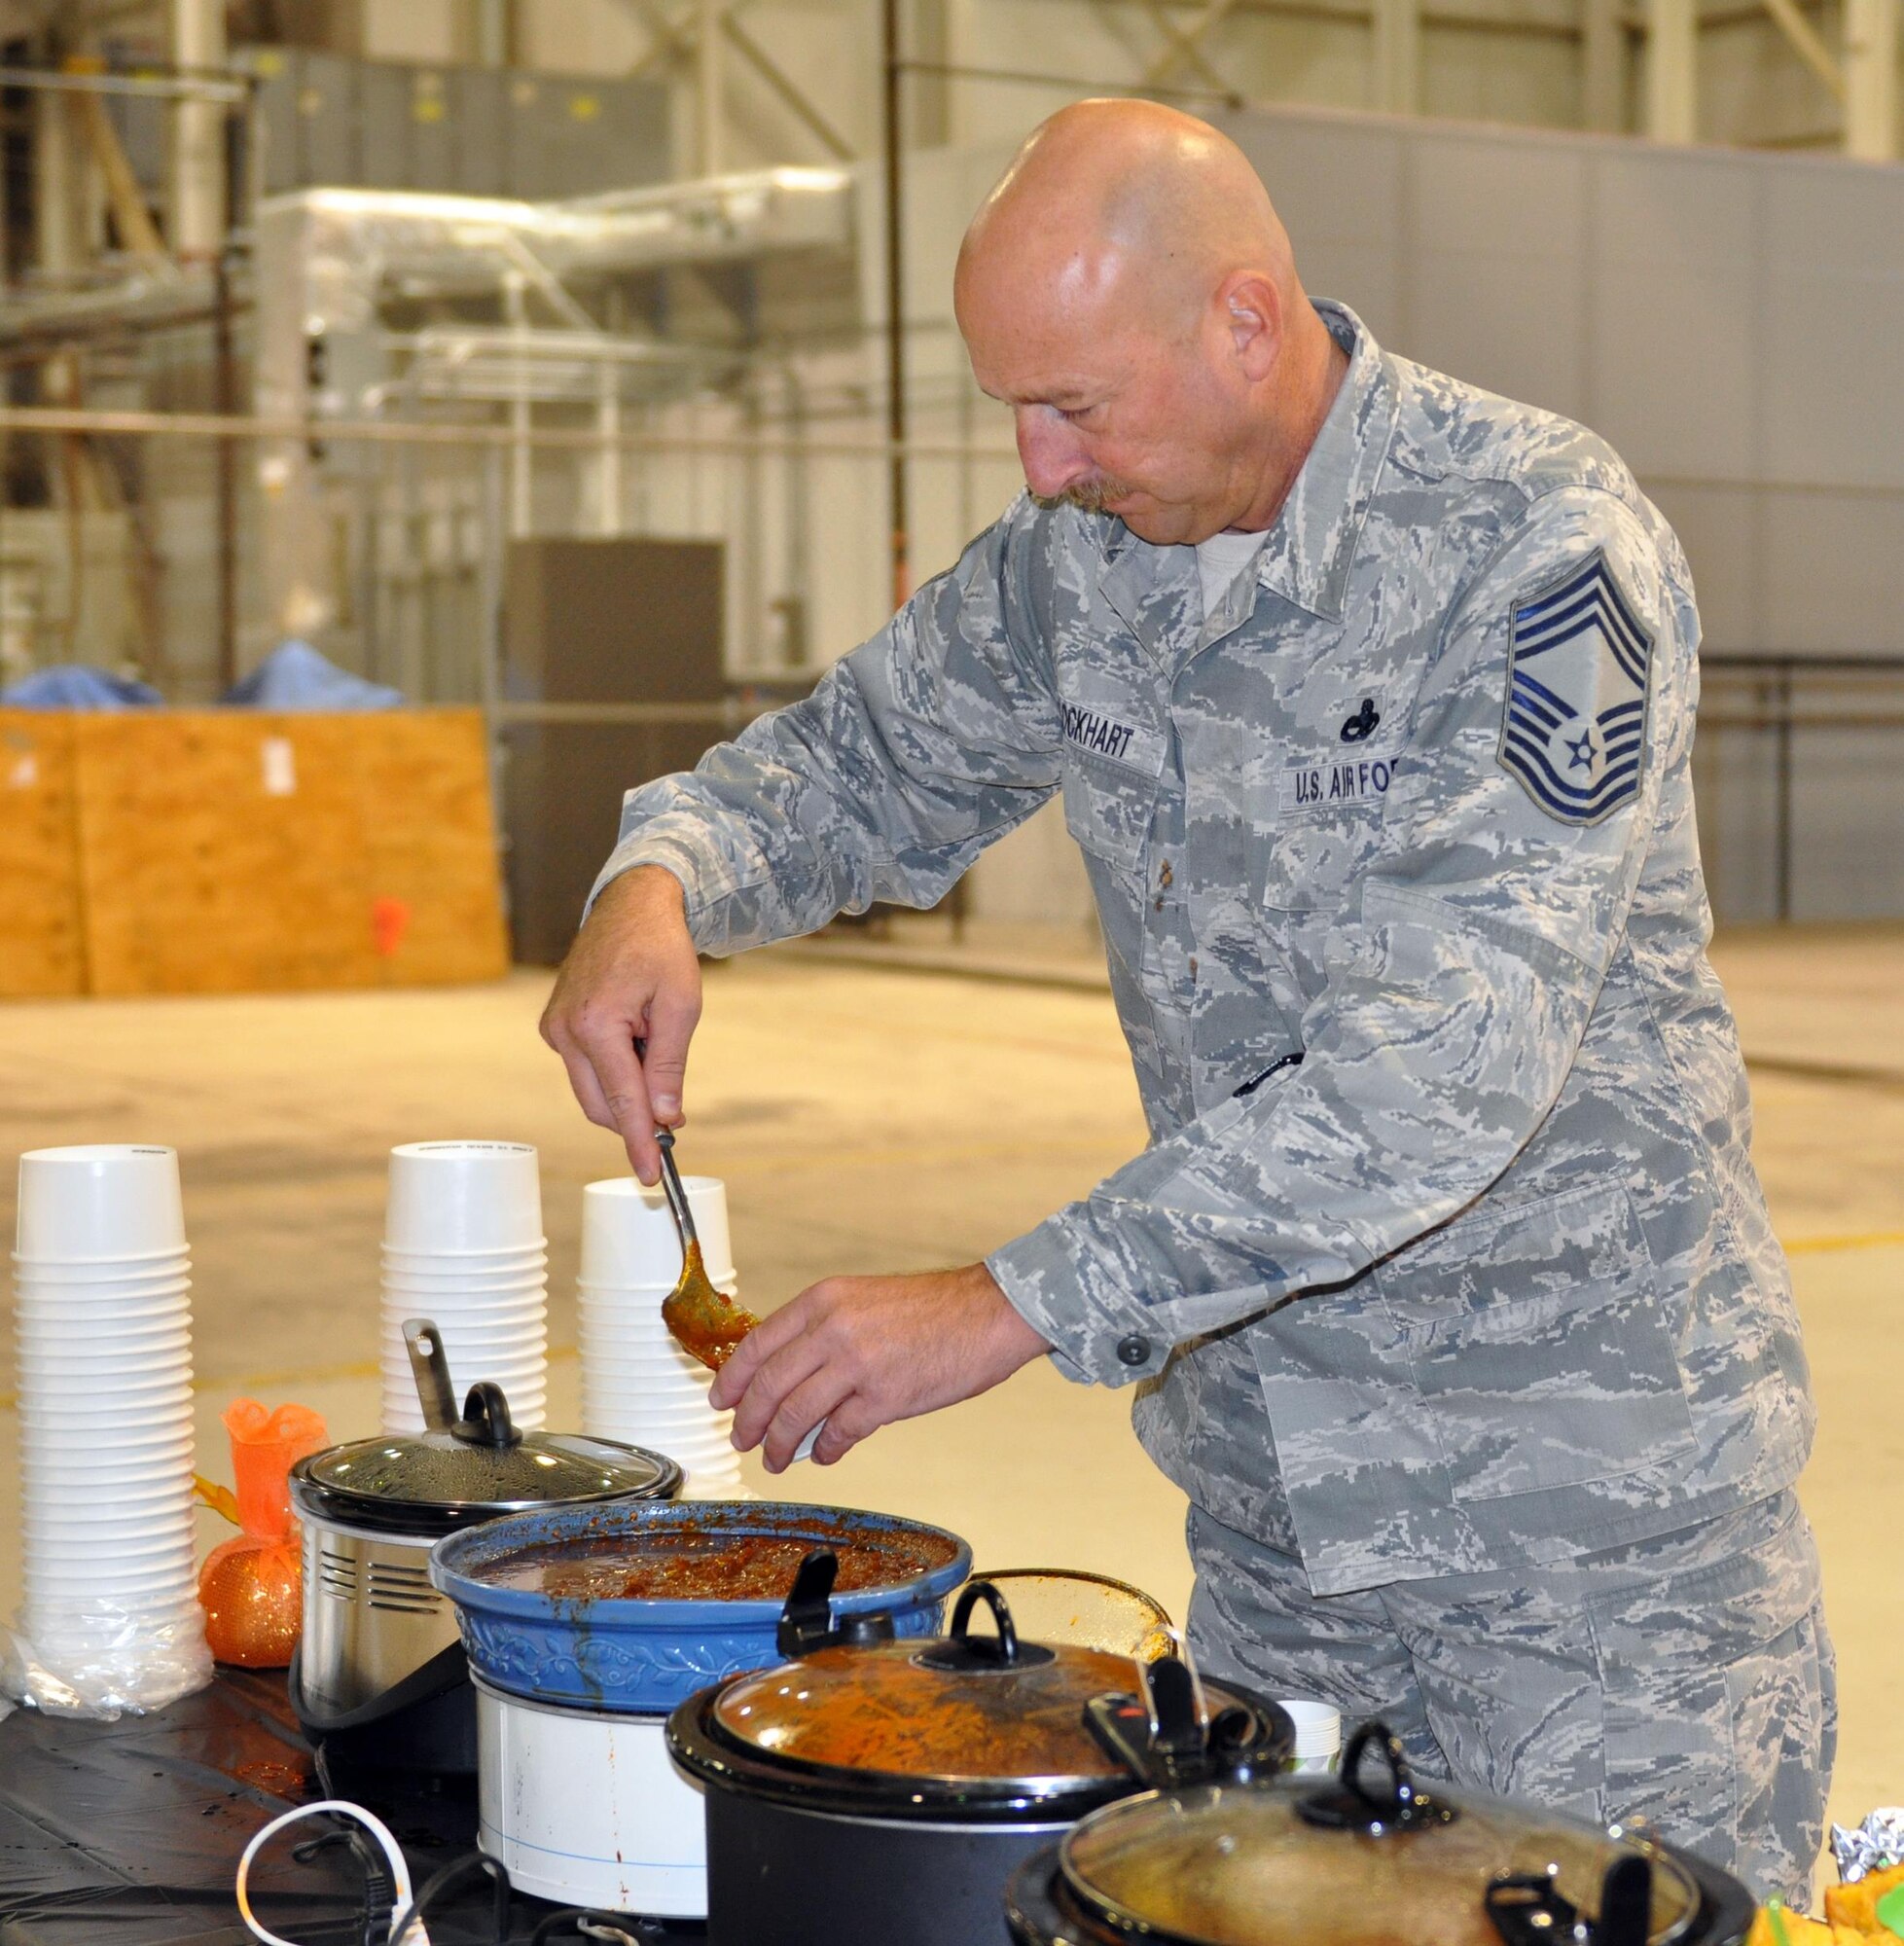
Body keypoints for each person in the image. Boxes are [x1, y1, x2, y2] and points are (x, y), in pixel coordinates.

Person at [541, 99, 1832, 1899]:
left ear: (1242, 319)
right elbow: (847, 768)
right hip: (1285, 1559)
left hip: (1584, 1575)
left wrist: (1006, 1302)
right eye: (1012, 407)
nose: (1041, 467)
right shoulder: (1081, 570)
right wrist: (655, 883)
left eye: (1073, 405)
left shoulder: (1533, 549)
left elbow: (1438, 1074)